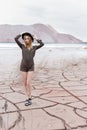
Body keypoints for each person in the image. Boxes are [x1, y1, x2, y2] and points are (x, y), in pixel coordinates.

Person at [14, 32, 44, 106]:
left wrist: (36, 38)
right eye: (25, 39)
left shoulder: (34, 47)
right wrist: (21, 33)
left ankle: (30, 97)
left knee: (28, 83)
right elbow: (15, 39)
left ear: (30, 39)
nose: (26, 40)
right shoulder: (22, 46)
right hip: (23, 66)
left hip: (31, 66)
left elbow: (42, 44)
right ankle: (27, 97)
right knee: (24, 83)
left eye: (28, 38)